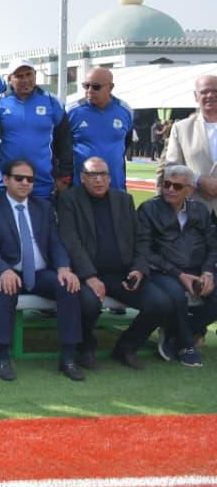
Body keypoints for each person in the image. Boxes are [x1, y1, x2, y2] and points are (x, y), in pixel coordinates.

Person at [0, 158, 92, 381]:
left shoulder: (43, 207)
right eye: (19, 178)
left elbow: (55, 242)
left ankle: (69, 357)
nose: (25, 183)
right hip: (8, 271)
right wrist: (3, 270)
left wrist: (63, 267)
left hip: (40, 274)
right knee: (7, 288)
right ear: (6, 180)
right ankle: (1, 357)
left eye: (29, 179)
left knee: (69, 286)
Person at [57, 157, 155, 368]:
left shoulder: (124, 200)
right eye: (93, 175)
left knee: (160, 303)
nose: (98, 179)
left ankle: (126, 347)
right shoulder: (69, 200)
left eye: (103, 174)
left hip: (123, 274)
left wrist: (139, 269)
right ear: (82, 177)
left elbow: (141, 239)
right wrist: (89, 276)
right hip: (87, 275)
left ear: (110, 178)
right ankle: (85, 346)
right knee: (89, 304)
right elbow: (71, 241)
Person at [138, 165, 217, 368]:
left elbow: (212, 246)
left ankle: (176, 333)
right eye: (167, 184)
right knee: (175, 293)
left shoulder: (200, 210)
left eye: (177, 186)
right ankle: (187, 345)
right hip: (164, 271)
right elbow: (144, 251)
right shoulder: (148, 209)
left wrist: (208, 271)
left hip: (198, 269)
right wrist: (178, 273)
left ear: (190, 190)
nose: (170, 189)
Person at [0, 59, 72, 200]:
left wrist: (64, 176)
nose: (25, 80)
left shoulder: (52, 102)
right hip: (7, 184)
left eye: (29, 74)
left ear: (35, 75)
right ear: (10, 79)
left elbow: (65, 141)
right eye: (19, 76)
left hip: (42, 184)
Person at [158, 74, 217, 216]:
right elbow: (171, 168)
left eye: (215, 91)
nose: (210, 95)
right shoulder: (181, 128)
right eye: (204, 92)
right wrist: (198, 180)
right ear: (196, 96)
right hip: (193, 211)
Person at [66, 67, 134, 190]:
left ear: (110, 87)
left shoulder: (125, 111)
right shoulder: (71, 112)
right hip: (80, 190)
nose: (89, 90)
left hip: (115, 189)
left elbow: (126, 143)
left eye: (96, 87)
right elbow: (60, 149)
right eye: (86, 86)